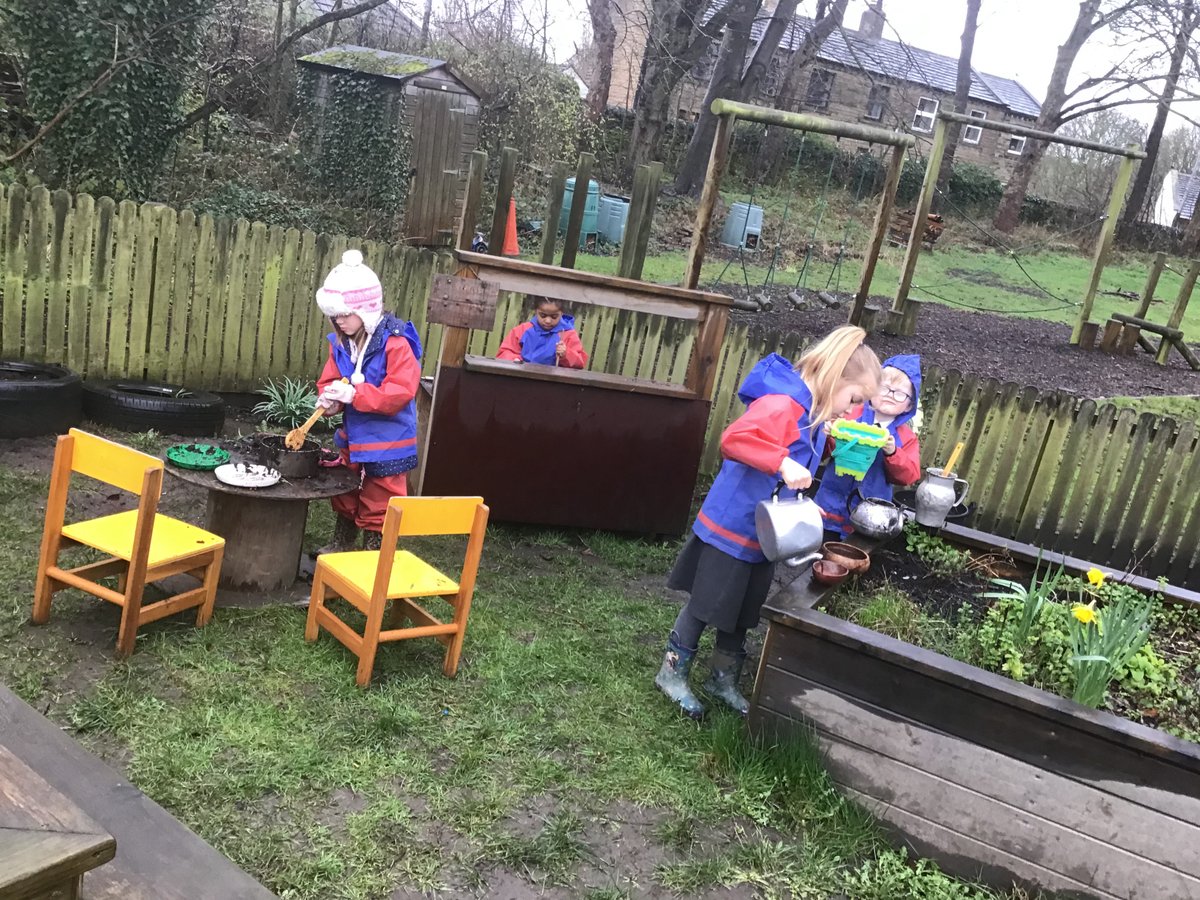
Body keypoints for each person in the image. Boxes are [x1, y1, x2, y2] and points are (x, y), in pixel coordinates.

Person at [655, 326, 883, 718]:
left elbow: (800, 448)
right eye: (854, 398)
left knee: (745, 606)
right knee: (705, 603)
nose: (853, 409)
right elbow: (734, 439)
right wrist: (781, 461)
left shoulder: (811, 414)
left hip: (764, 534)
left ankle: (722, 677)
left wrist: (830, 442)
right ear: (834, 377)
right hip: (733, 526)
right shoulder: (782, 405)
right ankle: (671, 672)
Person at [313, 249, 422, 553]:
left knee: (380, 500)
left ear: (367, 310)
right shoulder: (340, 344)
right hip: (353, 438)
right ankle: (342, 544)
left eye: (345, 314)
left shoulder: (397, 344)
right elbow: (329, 379)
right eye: (334, 315)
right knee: (345, 491)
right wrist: (331, 400)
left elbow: (399, 393)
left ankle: (374, 557)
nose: (339, 321)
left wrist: (355, 395)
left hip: (388, 443)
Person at [816, 354, 922, 538]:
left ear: (909, 405)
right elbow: (823, 453)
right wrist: (826, 436)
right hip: (829, 505)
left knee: (853, 559)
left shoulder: (906, 437)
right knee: (819, 556)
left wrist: (893, 452)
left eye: (899, 393)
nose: (890, 396)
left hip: (869, 516)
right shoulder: (846, 414)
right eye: (884, 388)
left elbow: (909, 476)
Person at [497, 296, 589, 368]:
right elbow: (505, 352)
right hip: (522, 377)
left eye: (554, 316)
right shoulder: (522, 330)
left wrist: (566, 354)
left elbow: (580, 362)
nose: (548, 320)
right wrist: (515, 360)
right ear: (536, 311)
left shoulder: (568, 334)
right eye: (543, 315)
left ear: (561, 313)